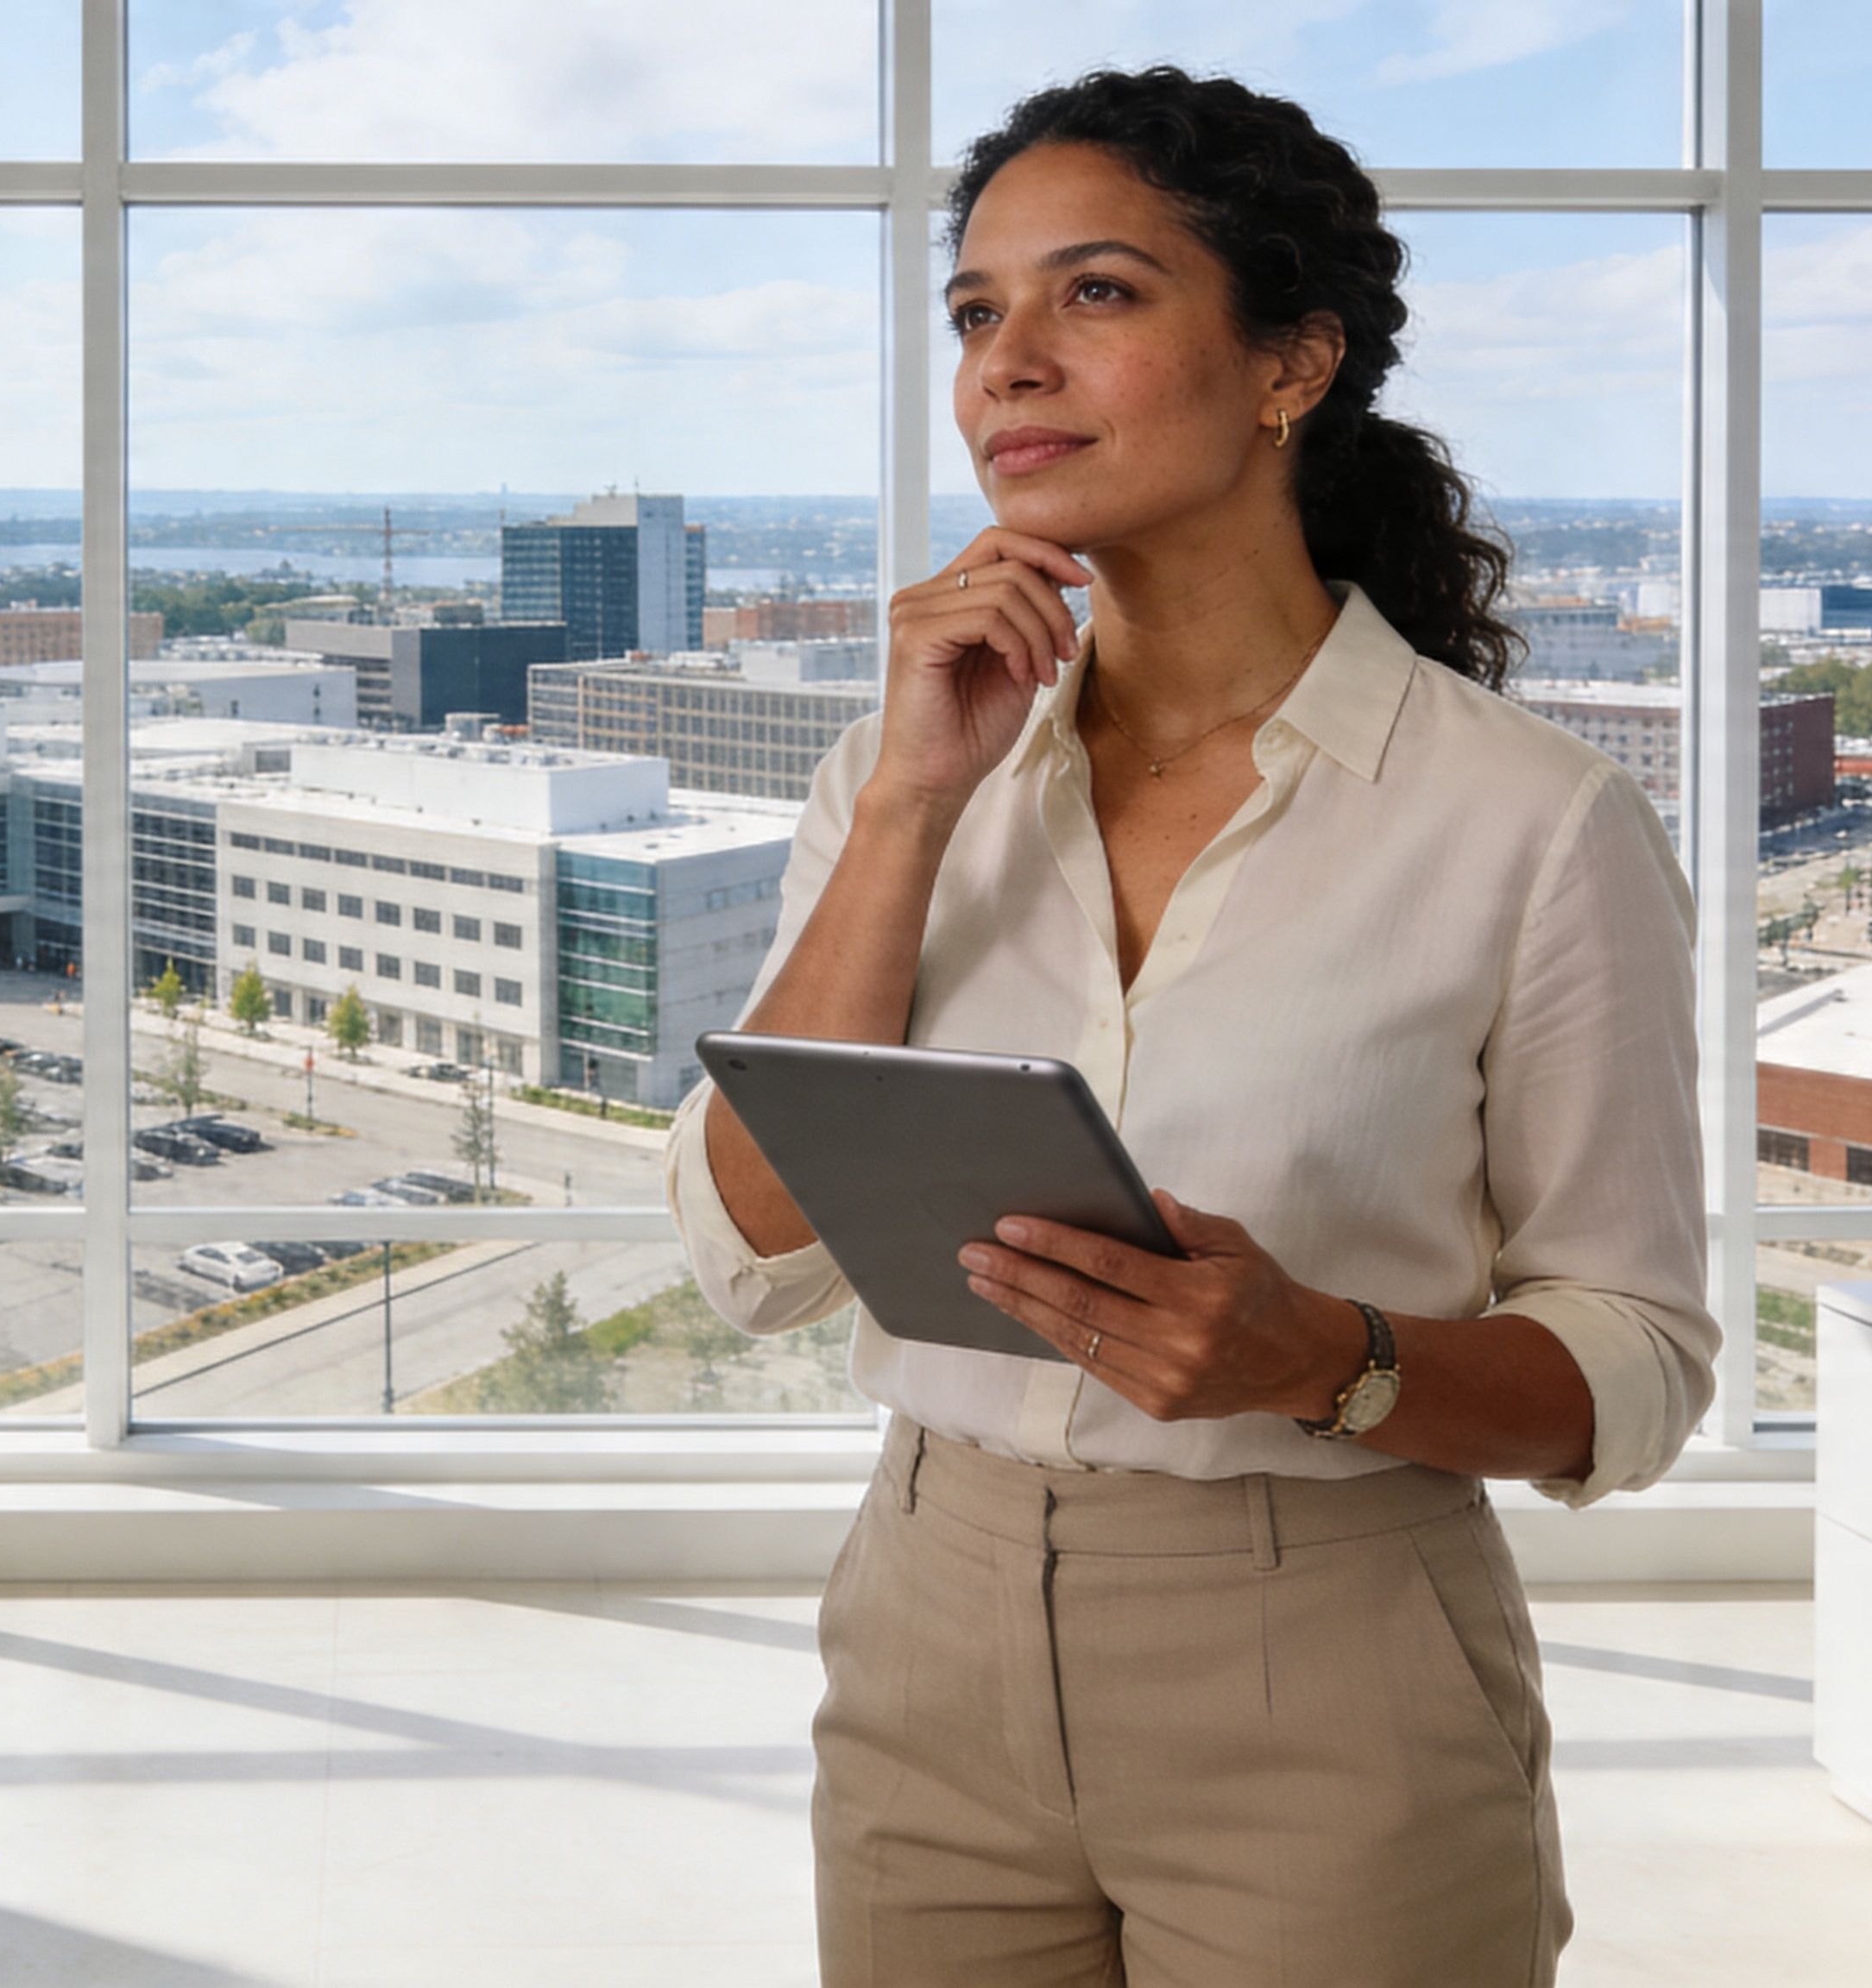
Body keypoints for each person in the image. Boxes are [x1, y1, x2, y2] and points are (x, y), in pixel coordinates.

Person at [661, 67, 1716, 1987]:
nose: (1005, 365)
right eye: (975, 314)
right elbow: (748, 1258)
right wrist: (905, 807)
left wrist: (1329, 1355)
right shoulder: (900, 768)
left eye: (1096, 295)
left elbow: (1629, 1368)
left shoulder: (1526, 821)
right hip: (924, 1624)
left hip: (1327, 1652)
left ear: (1288, 363)